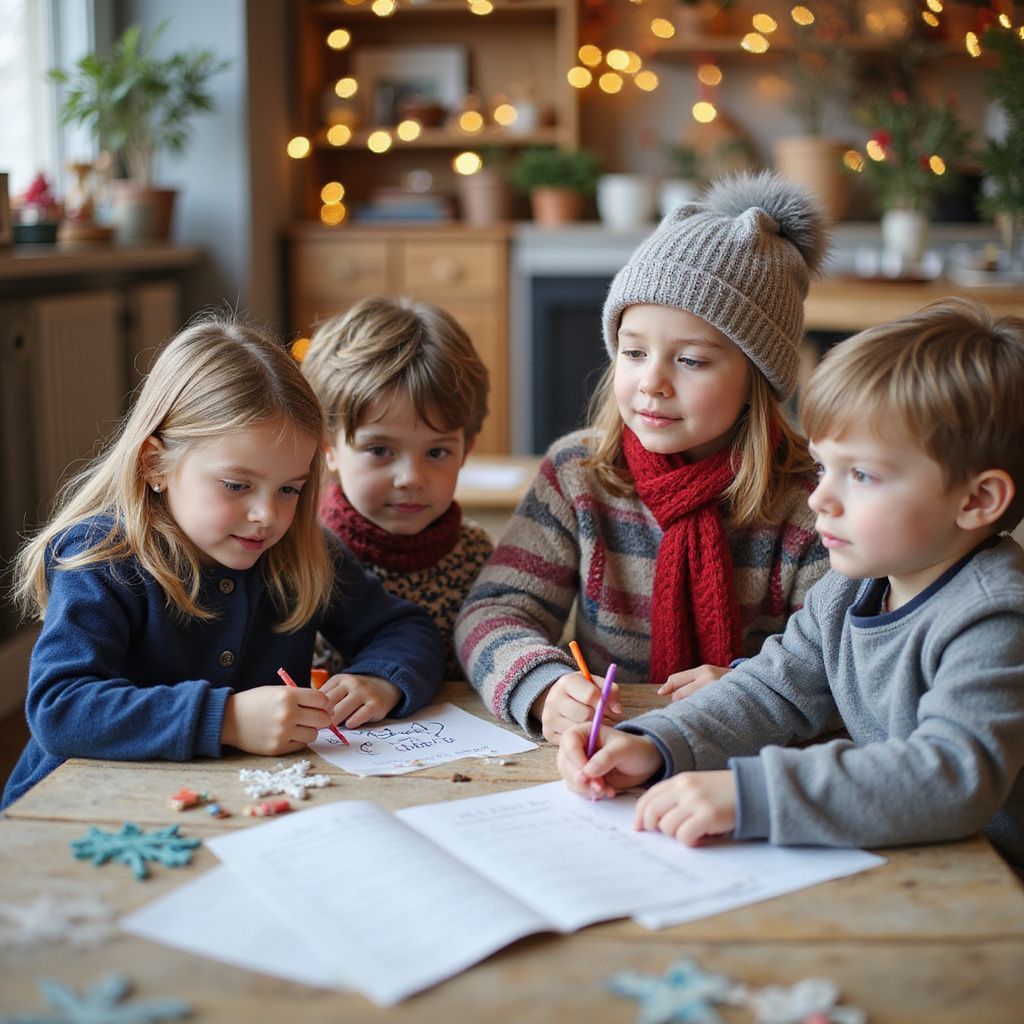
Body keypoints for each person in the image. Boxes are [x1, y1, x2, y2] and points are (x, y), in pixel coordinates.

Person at [557, 298, 1024, 873]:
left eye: (862, 475)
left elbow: (952, 776)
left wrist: (752, 794)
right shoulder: (853, 588)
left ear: (977, 500)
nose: (820, 498)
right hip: (904, 856)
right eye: (824, 468)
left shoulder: (995, 616)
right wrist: (654, 743)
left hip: (995, 883)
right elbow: (771, 690)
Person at [3, 313, 444, 809]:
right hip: (74, 813)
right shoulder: (102, 561)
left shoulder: (300, 552)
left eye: (289, 490)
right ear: (155, 464)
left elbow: (407, 630)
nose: (266, 516)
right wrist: (227, 719)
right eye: (237, 485)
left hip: (228, 807)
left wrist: (380, 678)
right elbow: (60, 708)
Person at [456, 171, 831, 741]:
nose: (651, 382)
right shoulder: (578, 474)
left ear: (758, 379)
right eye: (633, 352)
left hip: (748, 761)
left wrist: (751, 689)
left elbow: (843, 658)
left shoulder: (813, 498)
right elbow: (495, 611)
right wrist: (543, 685)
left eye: (692, 361)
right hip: (603, 750)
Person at [301, 295, 492, 680]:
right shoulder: (299, 556)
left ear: (466, 450)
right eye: (380, 450)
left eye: (437, 451)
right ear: (328, 449)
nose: (411, 478)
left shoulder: (480, 562)